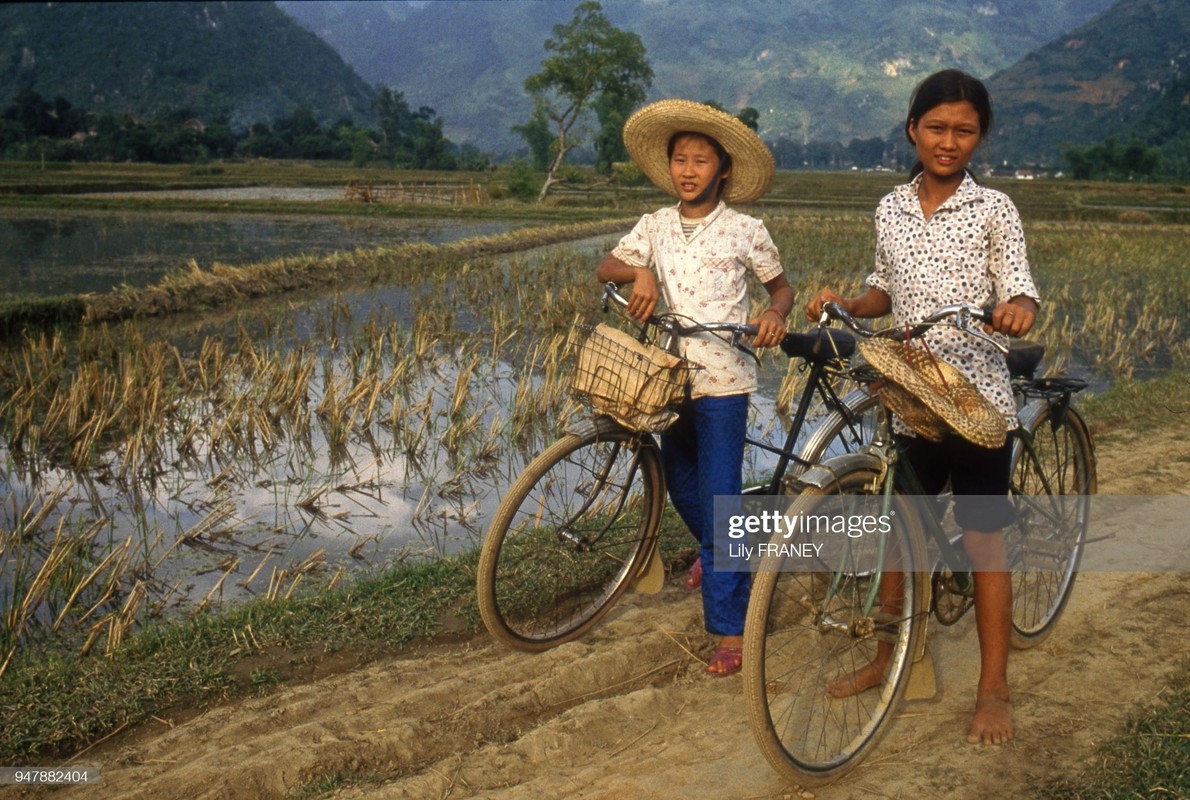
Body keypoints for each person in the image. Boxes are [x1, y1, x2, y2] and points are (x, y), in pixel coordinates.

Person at [804, 69, 1039, 744]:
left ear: (979, 136)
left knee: (985, 536)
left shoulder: (996, 209)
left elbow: (1018, 289)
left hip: (973, 400)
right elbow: (885, 289)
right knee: (897, 529)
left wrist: (1017, 311)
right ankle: (889, 655)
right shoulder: (890, 207)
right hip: (910, 393)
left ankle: (993, 687)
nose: (948, 140)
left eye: (964, 129)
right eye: (936, 127)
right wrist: (848, 303)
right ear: (913, 129)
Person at [596, 99, 794, 677]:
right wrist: (641, 272)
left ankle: (731, 629)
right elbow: (606, 265)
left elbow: (779, 290)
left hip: (725, 382)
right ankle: (723, 556)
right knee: (681, 481)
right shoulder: (654, 226)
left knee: (721, 499)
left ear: (723, 170)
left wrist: (775, 316)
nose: (688, 170)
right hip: (667, 377)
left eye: (700, 161)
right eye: (680, 160)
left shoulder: (745, 231)